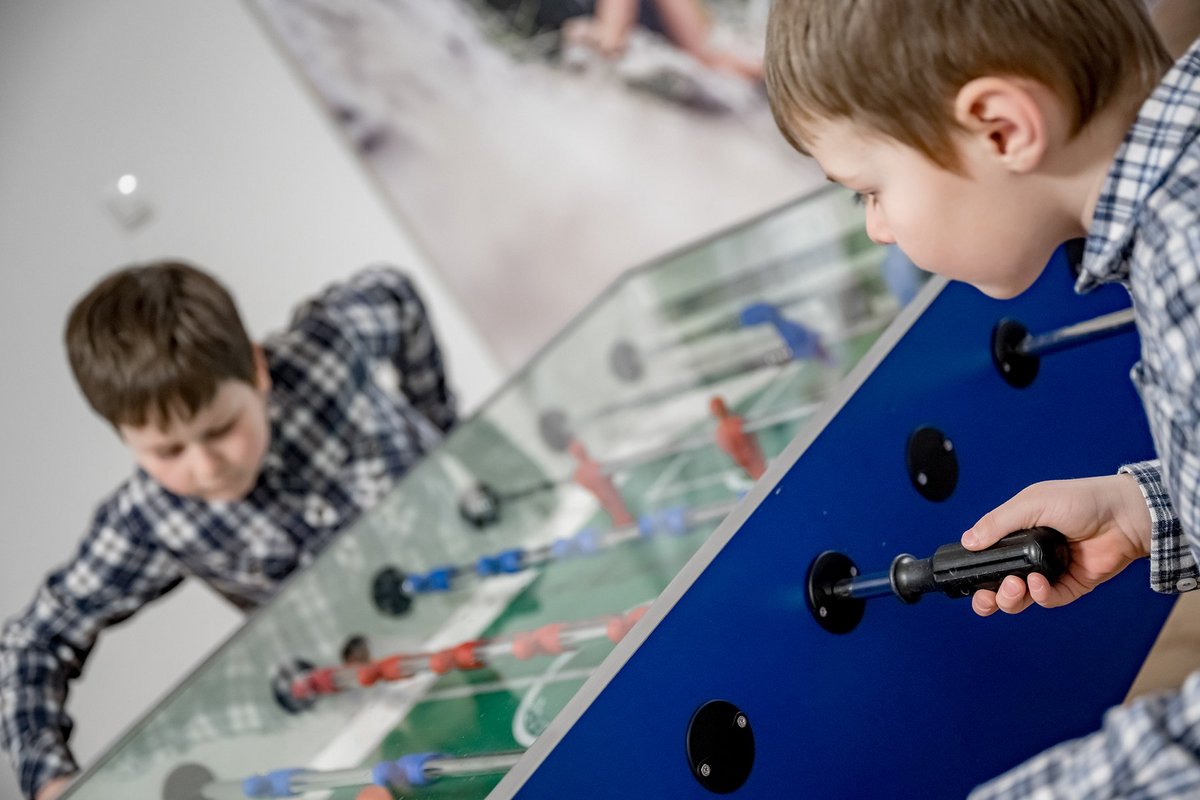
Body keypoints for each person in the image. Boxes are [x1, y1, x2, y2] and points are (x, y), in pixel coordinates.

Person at [764, 0, 1200, 797]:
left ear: (1001, 128)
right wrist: (1145, 509)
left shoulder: (1189, 261)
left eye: (869, 188)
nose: (876, 229)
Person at [0, 262, 457, 800]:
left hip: (486, 577)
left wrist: (448, 429)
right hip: (384, 703)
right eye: (166, 450)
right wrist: (48, 777)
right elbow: (33, 642)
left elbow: (395, 293)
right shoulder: (151, 518)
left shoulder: (329, 349)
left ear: (257, 371)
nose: (205, 467)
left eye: (220, 429)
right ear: (124, 436)